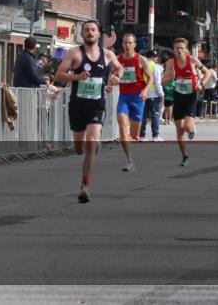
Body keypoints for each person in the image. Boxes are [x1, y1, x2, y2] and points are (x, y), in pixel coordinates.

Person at [52, 20, 123, 203]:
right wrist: (78, 76)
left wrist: (115, 77)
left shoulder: (107, 54)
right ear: (82, 34)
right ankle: (89, 145)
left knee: (91, 141)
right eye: (86, 30)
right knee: (79, 148)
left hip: (96, 104)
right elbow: (59, 75)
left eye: (93, 30)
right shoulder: (74, 53)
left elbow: (119, 67)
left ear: (99, 34)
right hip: (77, 105)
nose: (90, 32)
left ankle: (85, 186)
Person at [161, 38, 212, 167]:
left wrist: (201, 84)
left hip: (191, 96)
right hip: (178, 96)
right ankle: (185, 156)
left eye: (181, 48)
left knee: (187, 127)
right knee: (179, 129)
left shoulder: (193, 60)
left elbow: (208, 73)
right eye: (177, 48)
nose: (179, 50)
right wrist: (171, 77)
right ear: (174, 50)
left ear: (186, 49)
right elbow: (163, 82)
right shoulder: (170, 63)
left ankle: (192, 128)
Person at [115, 33, 152, 172]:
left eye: (130, 42)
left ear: (135, 44)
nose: (127, 45)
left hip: (138, 98)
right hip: (124, 97)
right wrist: (110, 83)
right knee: (123, 127)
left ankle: (131, 138)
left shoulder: (141, 60)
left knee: (134, 134)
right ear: (122, 44)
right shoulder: (118, 59)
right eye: (125, 42)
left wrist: (145, 90)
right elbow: (112, 74)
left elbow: (150, 78)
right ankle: (129, 160)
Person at [139, 50, 165, 142]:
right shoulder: (155, 67)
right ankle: (155, 136)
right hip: (154, 94)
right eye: (156, 57)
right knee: (155, 115)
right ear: (154, 58)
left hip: (143, 93)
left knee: (143, 115)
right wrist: (161, 94)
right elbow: (157, 83)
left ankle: (142, 136)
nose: (157, 59)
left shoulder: (142, 66)